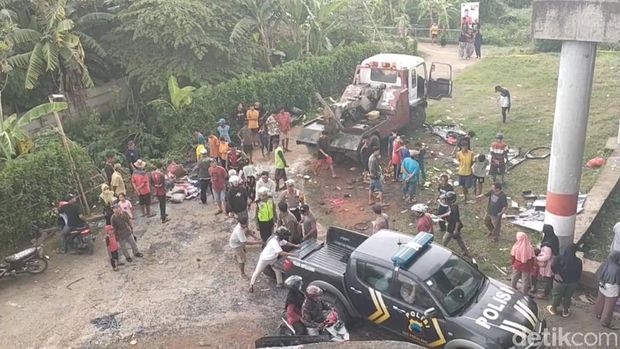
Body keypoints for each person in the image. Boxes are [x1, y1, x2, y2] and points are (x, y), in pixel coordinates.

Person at [249, 227, 298, 292]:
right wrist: (293, 255)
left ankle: (279, 284)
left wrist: (295, 246)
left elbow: (286, 243)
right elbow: (281, 252)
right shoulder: (274, 241)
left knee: (277, 270)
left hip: (273, 258)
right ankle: (251, 285)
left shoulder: (278, 239)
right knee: (257, 272)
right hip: (265, 259)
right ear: (281, 236)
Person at [547, 243, 582, 317]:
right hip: (572, 283)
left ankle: (553, 309)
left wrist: (556, 273)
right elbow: (579, 273)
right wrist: (576, 281)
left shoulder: (558, 258)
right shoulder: (578, 261)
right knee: (568, 297)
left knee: (557, 295)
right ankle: (565, 311)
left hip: (560, 281)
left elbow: (552, 265)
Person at [594, 251, 620, 329]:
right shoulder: (617, 268)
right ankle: (605, 322)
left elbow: (597, 273)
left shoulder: (605, 263)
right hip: (611, 289)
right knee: (609, 307)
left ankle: (598, 314)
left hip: (602, 285)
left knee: (600, 301)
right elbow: (618, 281)